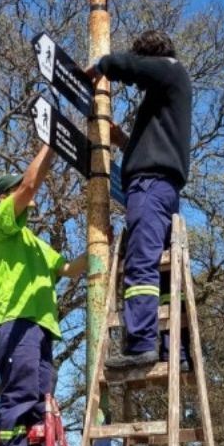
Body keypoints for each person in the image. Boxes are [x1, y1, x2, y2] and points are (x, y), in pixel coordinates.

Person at [87, 29, 192, 369]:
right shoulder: (168, 95)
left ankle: (141, 344)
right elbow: (152, 144)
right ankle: (173, 347)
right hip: (163, 190)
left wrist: (103, 65)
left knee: (141, 264)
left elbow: (129, 67)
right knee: (163, 278)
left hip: (149, 187)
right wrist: (122, 141)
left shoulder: (170, 69)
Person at [0, 144, 88, 446]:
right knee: (19, 392)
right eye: (16, 188)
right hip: (18, 321)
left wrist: (101, 246)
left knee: (40, 396)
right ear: (4, 197)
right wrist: (51, 144)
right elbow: (30, 186)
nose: (26, 191)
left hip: (43, 327)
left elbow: (70, 269)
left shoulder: (34, 242)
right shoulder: (1, 223)